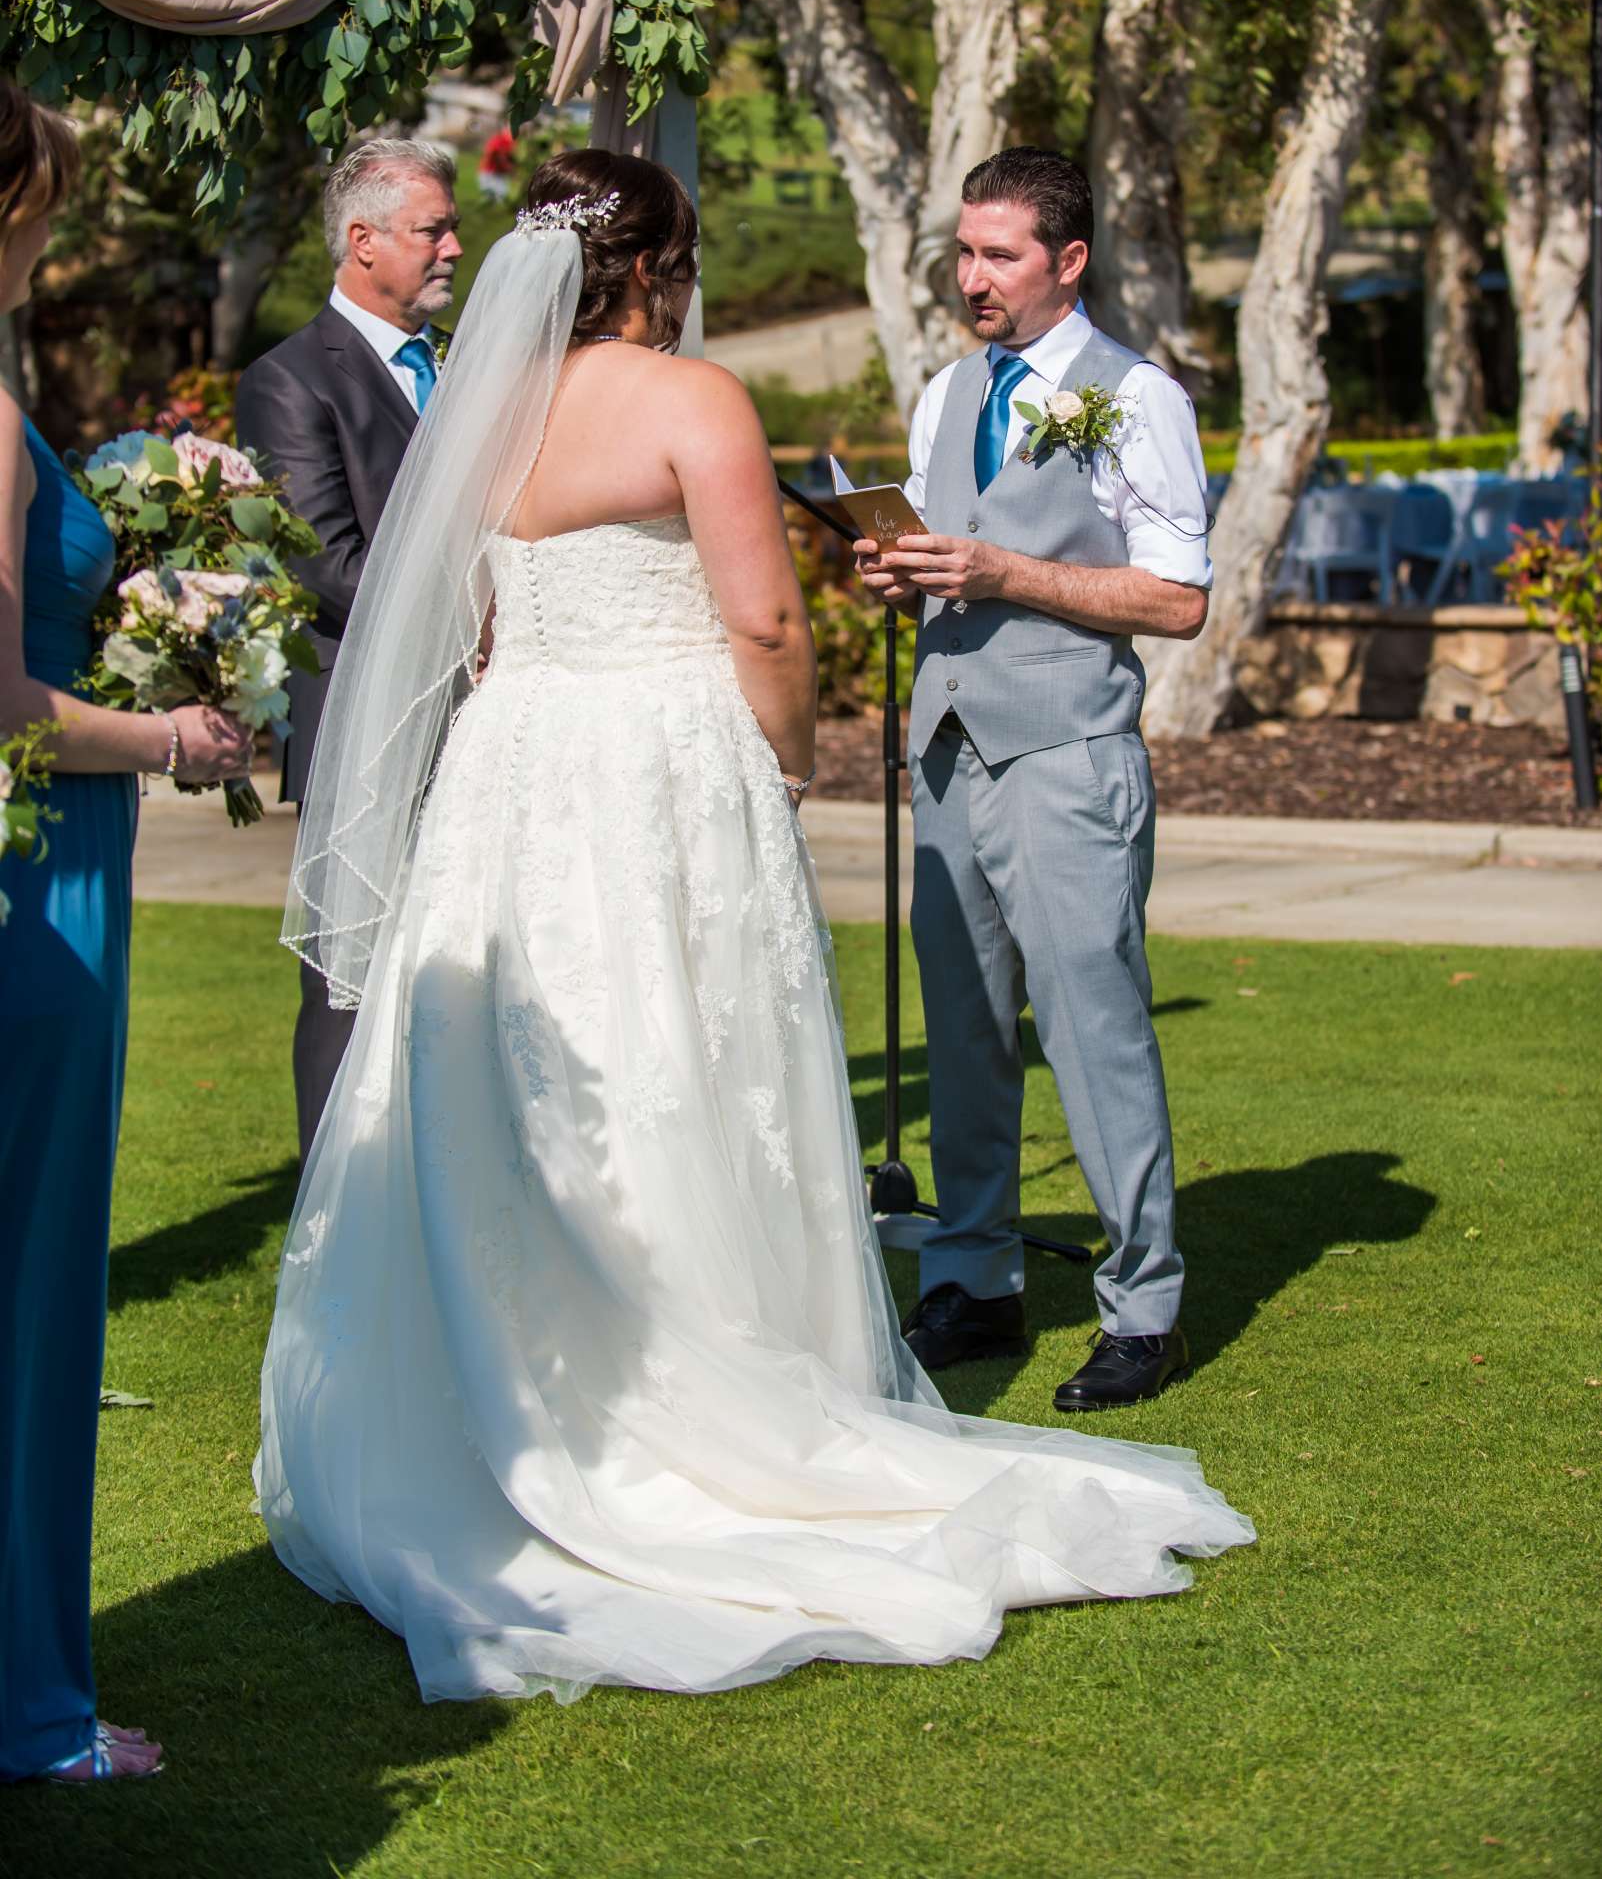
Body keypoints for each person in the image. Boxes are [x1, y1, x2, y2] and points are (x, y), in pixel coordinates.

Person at [256, 146, 1252, 1706]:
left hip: (515, 766)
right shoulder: (692, 401)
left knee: (517, 1071)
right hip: (654, 760)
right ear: (658, 264)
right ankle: (721, 1379)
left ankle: (499, 1397)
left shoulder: (479, 405)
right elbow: (765, 618)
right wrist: (776, 755)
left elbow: (481, 611)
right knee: (681, 1045)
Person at [855, 146, 1211, 1412]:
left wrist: (1006, 574)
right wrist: (897, 570)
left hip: (1067, 753)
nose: (973, 278)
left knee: (1092, 1029)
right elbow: (948, 554)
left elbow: (1176, 600)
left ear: (1069, 262)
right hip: (947, 754)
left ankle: (1145, 1303)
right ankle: (975, 1279)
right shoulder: (949, 395)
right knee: (962, 1036)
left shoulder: (1139, 396)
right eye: (963, 252)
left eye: (999, 255)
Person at [0, 78, 253, 1785]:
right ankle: (30, 1716)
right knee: (24, 1299)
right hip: (32, 888)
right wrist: (172, 736)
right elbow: (6, 712)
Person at [235, 137, 463, 1167]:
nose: (456, 246)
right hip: (365, 723)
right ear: (362, 240)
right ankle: (335, 1208)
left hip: (485, 719)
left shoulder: (464, 363)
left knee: (463, 965)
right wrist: (486, 623)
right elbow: (326, 562)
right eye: (434, 230)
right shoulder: (288, 380)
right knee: (350, 977)